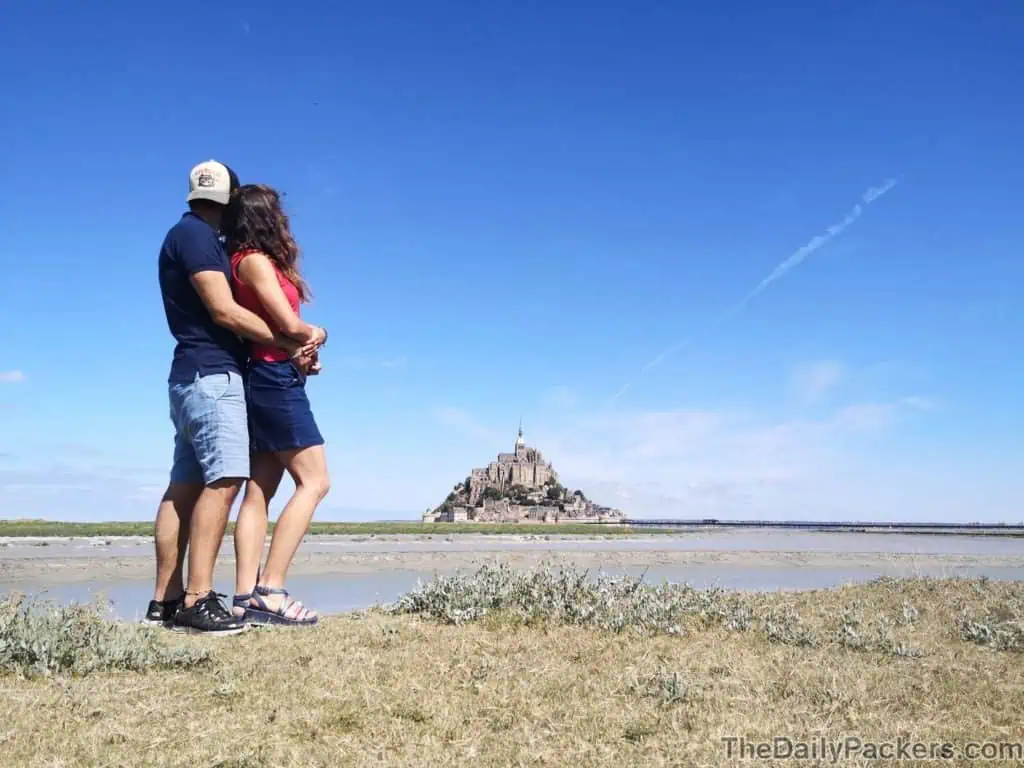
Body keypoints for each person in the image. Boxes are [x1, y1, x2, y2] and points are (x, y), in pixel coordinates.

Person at [147, 161, 315, 635]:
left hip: (189, 374)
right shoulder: (198, 238)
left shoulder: (187, 235)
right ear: (230, 199)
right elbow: (224, 311)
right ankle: (198, 598)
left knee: (183, 488)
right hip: (211, 375)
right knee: (225, 481)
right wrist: (287, 343)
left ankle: (166, 599)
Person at [222, 184, 331, 626]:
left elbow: (275, 330)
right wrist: (316, 333)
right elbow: (286, 323)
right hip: (272, 380)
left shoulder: (247, 262)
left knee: (260, 489)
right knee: (316, 482)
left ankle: (246, 595)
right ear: (267, 217)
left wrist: (300, 355)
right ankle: (271, 587)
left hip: (270, 375)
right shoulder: (254, 262)